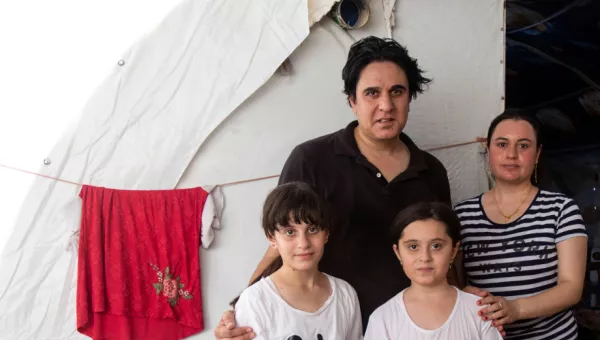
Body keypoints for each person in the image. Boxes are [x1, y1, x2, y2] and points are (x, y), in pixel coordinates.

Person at [215, 36, 454, 339]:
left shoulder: (431, 172)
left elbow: (447, 252)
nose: (386, 105)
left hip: (413, 330)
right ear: (352, 101)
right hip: (334, 328)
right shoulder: (311, 161)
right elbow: (281, 244)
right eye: (371, 93)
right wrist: (239, 310)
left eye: (397, 92)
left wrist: (465, 304)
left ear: (410, 97)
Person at [454, 111, 588, 339]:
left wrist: (516, 309)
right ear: (488, 151)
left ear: (537, 154)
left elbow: (571, 287)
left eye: (523, 145)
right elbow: (453, 282)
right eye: (502, 144)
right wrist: (461, 295)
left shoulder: (561, 209)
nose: (511, 154)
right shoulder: (462, 215)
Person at [231, 182, 363, 340]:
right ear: (272, 238)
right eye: (290, 232)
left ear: (326, 234)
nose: (304, 243)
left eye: (312, 230)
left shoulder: (345, 294)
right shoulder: (254, 301)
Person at [364, 202, 503, 340]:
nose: (425, 257)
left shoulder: (479, 310)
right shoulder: (383, 319)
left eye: (436, 246)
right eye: (413, 247)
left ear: (454, 251)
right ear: (398, 252)